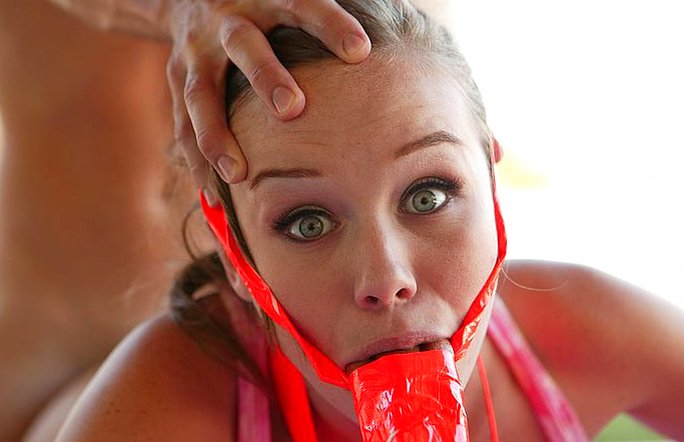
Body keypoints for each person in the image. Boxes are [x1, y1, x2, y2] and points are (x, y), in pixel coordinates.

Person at [55, 1, 684, 440]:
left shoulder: (589, 337)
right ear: (238, 261)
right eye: (306, 223)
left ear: (493, 185)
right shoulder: (153, 415)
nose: (386, 280)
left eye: (428, 195)